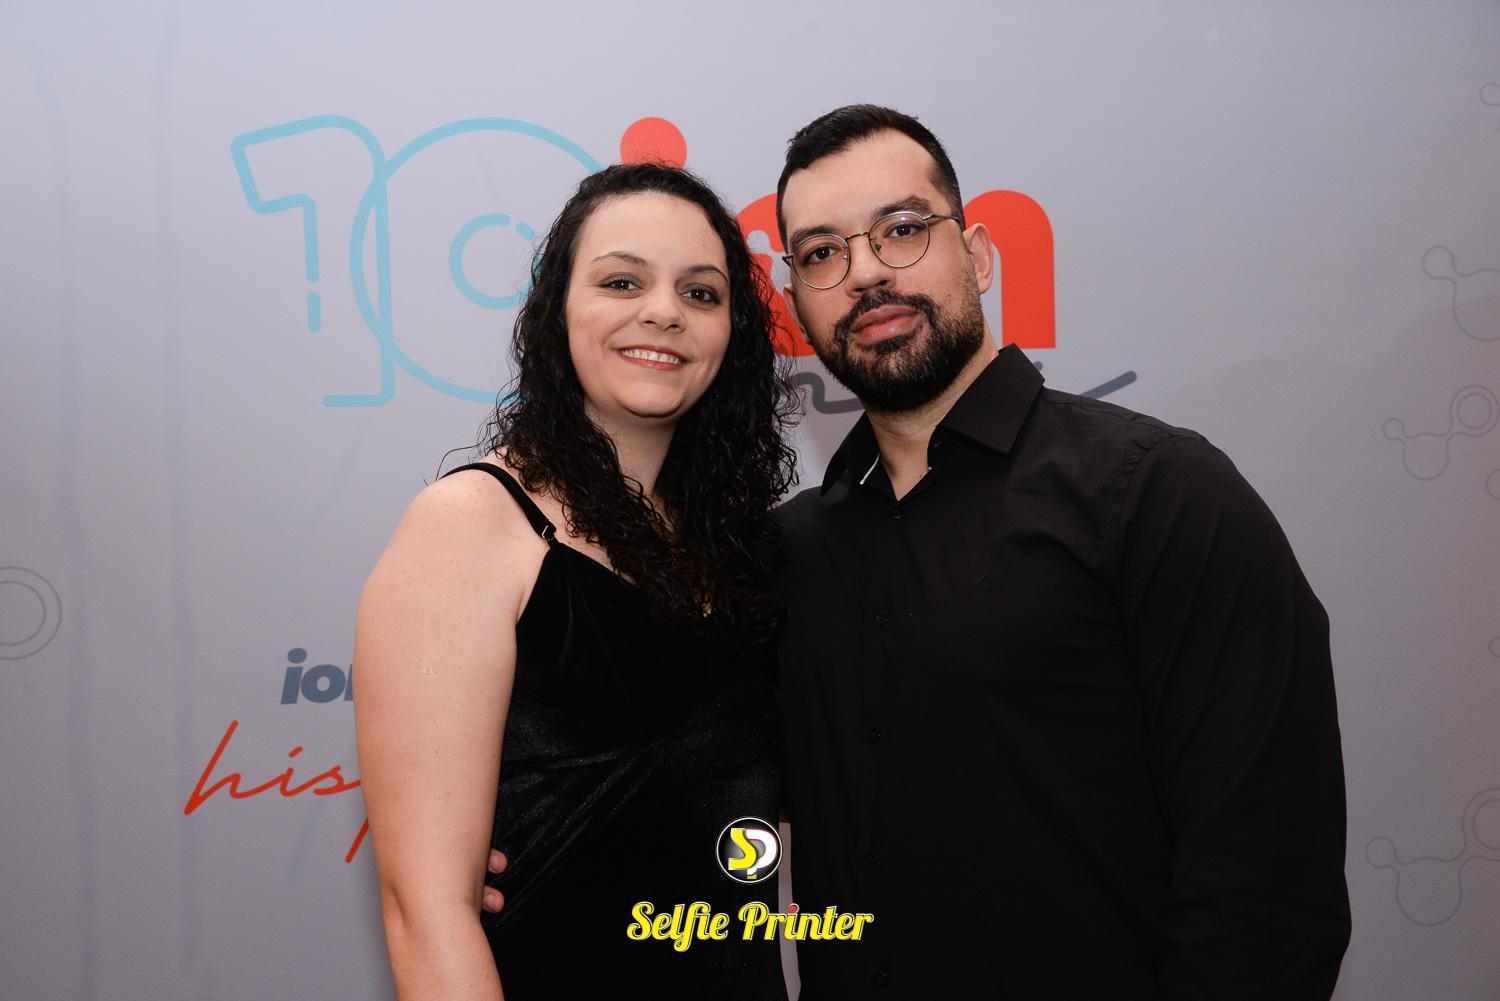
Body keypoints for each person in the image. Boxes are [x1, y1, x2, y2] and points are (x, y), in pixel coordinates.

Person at [767, 105, 1352, 999]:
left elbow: (1265, 885)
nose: (868, 272)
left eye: (903, 229)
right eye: (821, 253)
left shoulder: (1158, 492)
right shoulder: (789, 553)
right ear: (796, 304)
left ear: (980, 255)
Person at [354, 162, 798, 1001]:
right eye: (622, 281)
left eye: (701, 292)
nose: (663, 310)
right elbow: (427, 913)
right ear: (557, 309)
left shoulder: (739, 557)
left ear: (732, 333)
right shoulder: (471, 526)